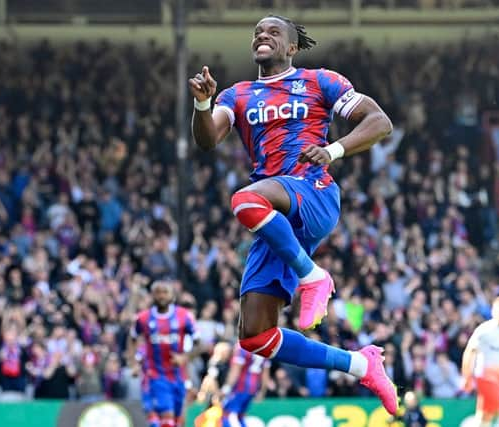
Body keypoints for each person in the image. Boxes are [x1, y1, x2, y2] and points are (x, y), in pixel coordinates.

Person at [188, 14, 398, 415]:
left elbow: (379, 122)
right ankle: (360, 364)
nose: (262, 36)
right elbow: (206, 140)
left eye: (273, 32)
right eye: (257, 32)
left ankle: (313, 276)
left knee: (244, 200)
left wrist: (334, 150)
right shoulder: (237, 94)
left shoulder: (320, 81)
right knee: (255, 336)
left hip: (312, 192)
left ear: (291, 47)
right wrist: (203, 102)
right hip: (276, 215)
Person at [129, 281, 197, 427]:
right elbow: (132, 339)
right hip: (156, 375)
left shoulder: (184, 316)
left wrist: (184, 357)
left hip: (179, 376)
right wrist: (133, 363)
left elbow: (200, 344)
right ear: (152, 295)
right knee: (167, 418)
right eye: (158, 292)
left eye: (165, 292)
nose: (161, 296)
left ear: (172, 295)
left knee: (178, 420)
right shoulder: (143, 318)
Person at [461, 297, 499, 427]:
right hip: (484, 377)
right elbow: (469, 352)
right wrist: (467, 376)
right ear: (493, 311)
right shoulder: (484, 330)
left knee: (484, 418)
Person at [219, 343, 270, 427]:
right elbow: (265, 373)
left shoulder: (243, 346)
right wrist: (262, 391)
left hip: (240, 386)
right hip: (253, 387)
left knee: (228, 415)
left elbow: (235, 370)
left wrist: (226, 388)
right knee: (240, 415)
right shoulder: (264, 347)